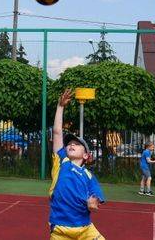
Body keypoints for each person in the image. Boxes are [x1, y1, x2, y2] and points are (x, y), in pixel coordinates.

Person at [49, 89, 106, 240]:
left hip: (85, 228)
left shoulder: (88, 176)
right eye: (69, 144)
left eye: (77, 144)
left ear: (86, 155)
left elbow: (95, 195)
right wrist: (60, 106)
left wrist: (94, 201)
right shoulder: (62, 161)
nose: (71, 145)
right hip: (60, 228)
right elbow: (57, 132)